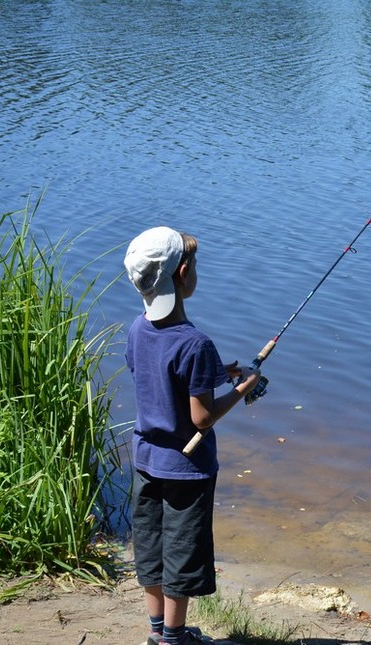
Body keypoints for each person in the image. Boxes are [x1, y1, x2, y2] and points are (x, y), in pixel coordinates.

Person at [123, 226, 261, 645]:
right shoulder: (196, 343)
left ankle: (156, 633)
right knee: (181, 553)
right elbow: (201, 418)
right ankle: (174, 637)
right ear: (183, 274)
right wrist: (242, 388)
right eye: (195, 264)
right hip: (186, 470)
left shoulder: (136, 329)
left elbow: (157, 376)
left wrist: (221, 372)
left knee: (150, 548)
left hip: (146, 460)